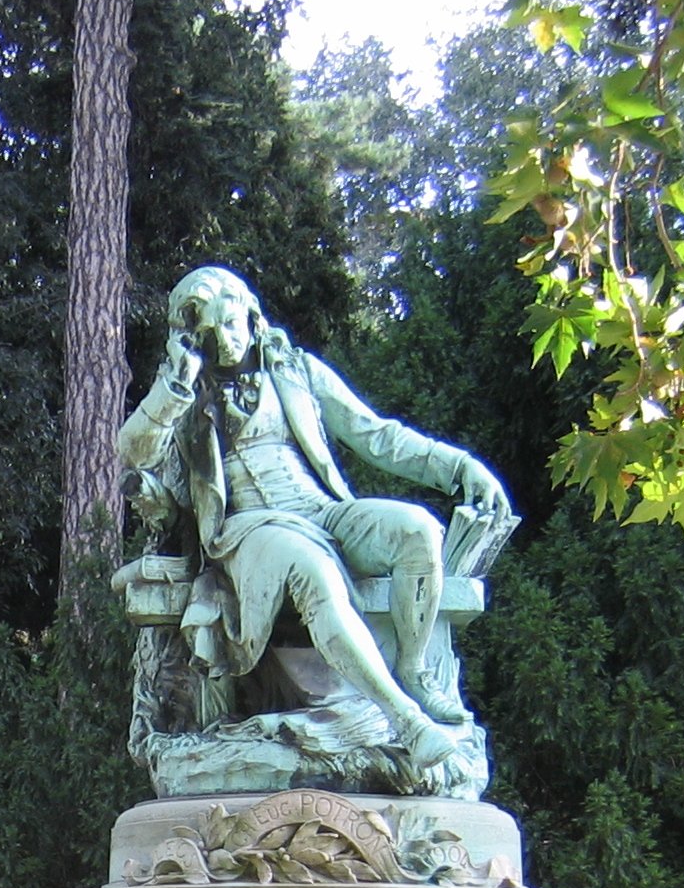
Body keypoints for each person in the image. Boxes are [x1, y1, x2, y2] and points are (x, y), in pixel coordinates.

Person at [118, 265, 512, 763]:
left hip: (323, 511)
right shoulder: (187, 393)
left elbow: (378, 436)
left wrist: (459, 467)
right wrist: (174, 385)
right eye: (211, 333)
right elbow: (133, 450)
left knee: (418, 531)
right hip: (250, 529)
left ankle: (413, 673)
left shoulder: (296, 370)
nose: (226, 341)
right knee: (312, 571)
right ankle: (408, 721)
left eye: (232, 324)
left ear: (252, 317)